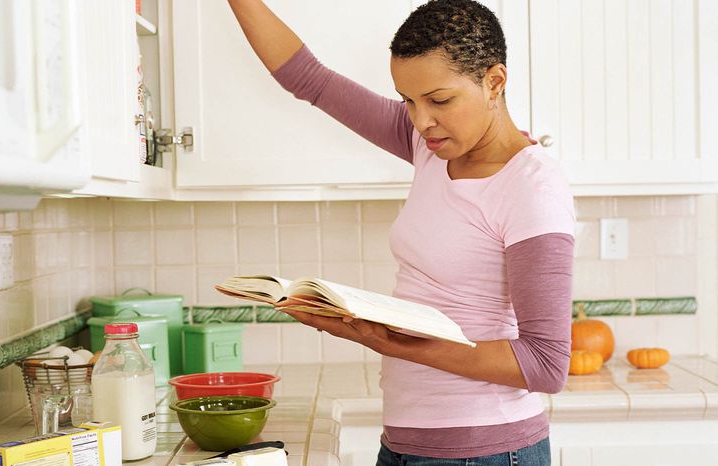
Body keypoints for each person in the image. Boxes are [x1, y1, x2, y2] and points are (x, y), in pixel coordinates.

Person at [227, 1, 575, 464]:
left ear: (494, 82)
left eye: (439, 100)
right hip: (403, 443)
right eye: (408, 100)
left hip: (486, 451)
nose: (420, 120)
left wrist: (382, 339)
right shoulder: (431, 148)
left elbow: (546, 364)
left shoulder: (531, 186)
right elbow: (306, 77)